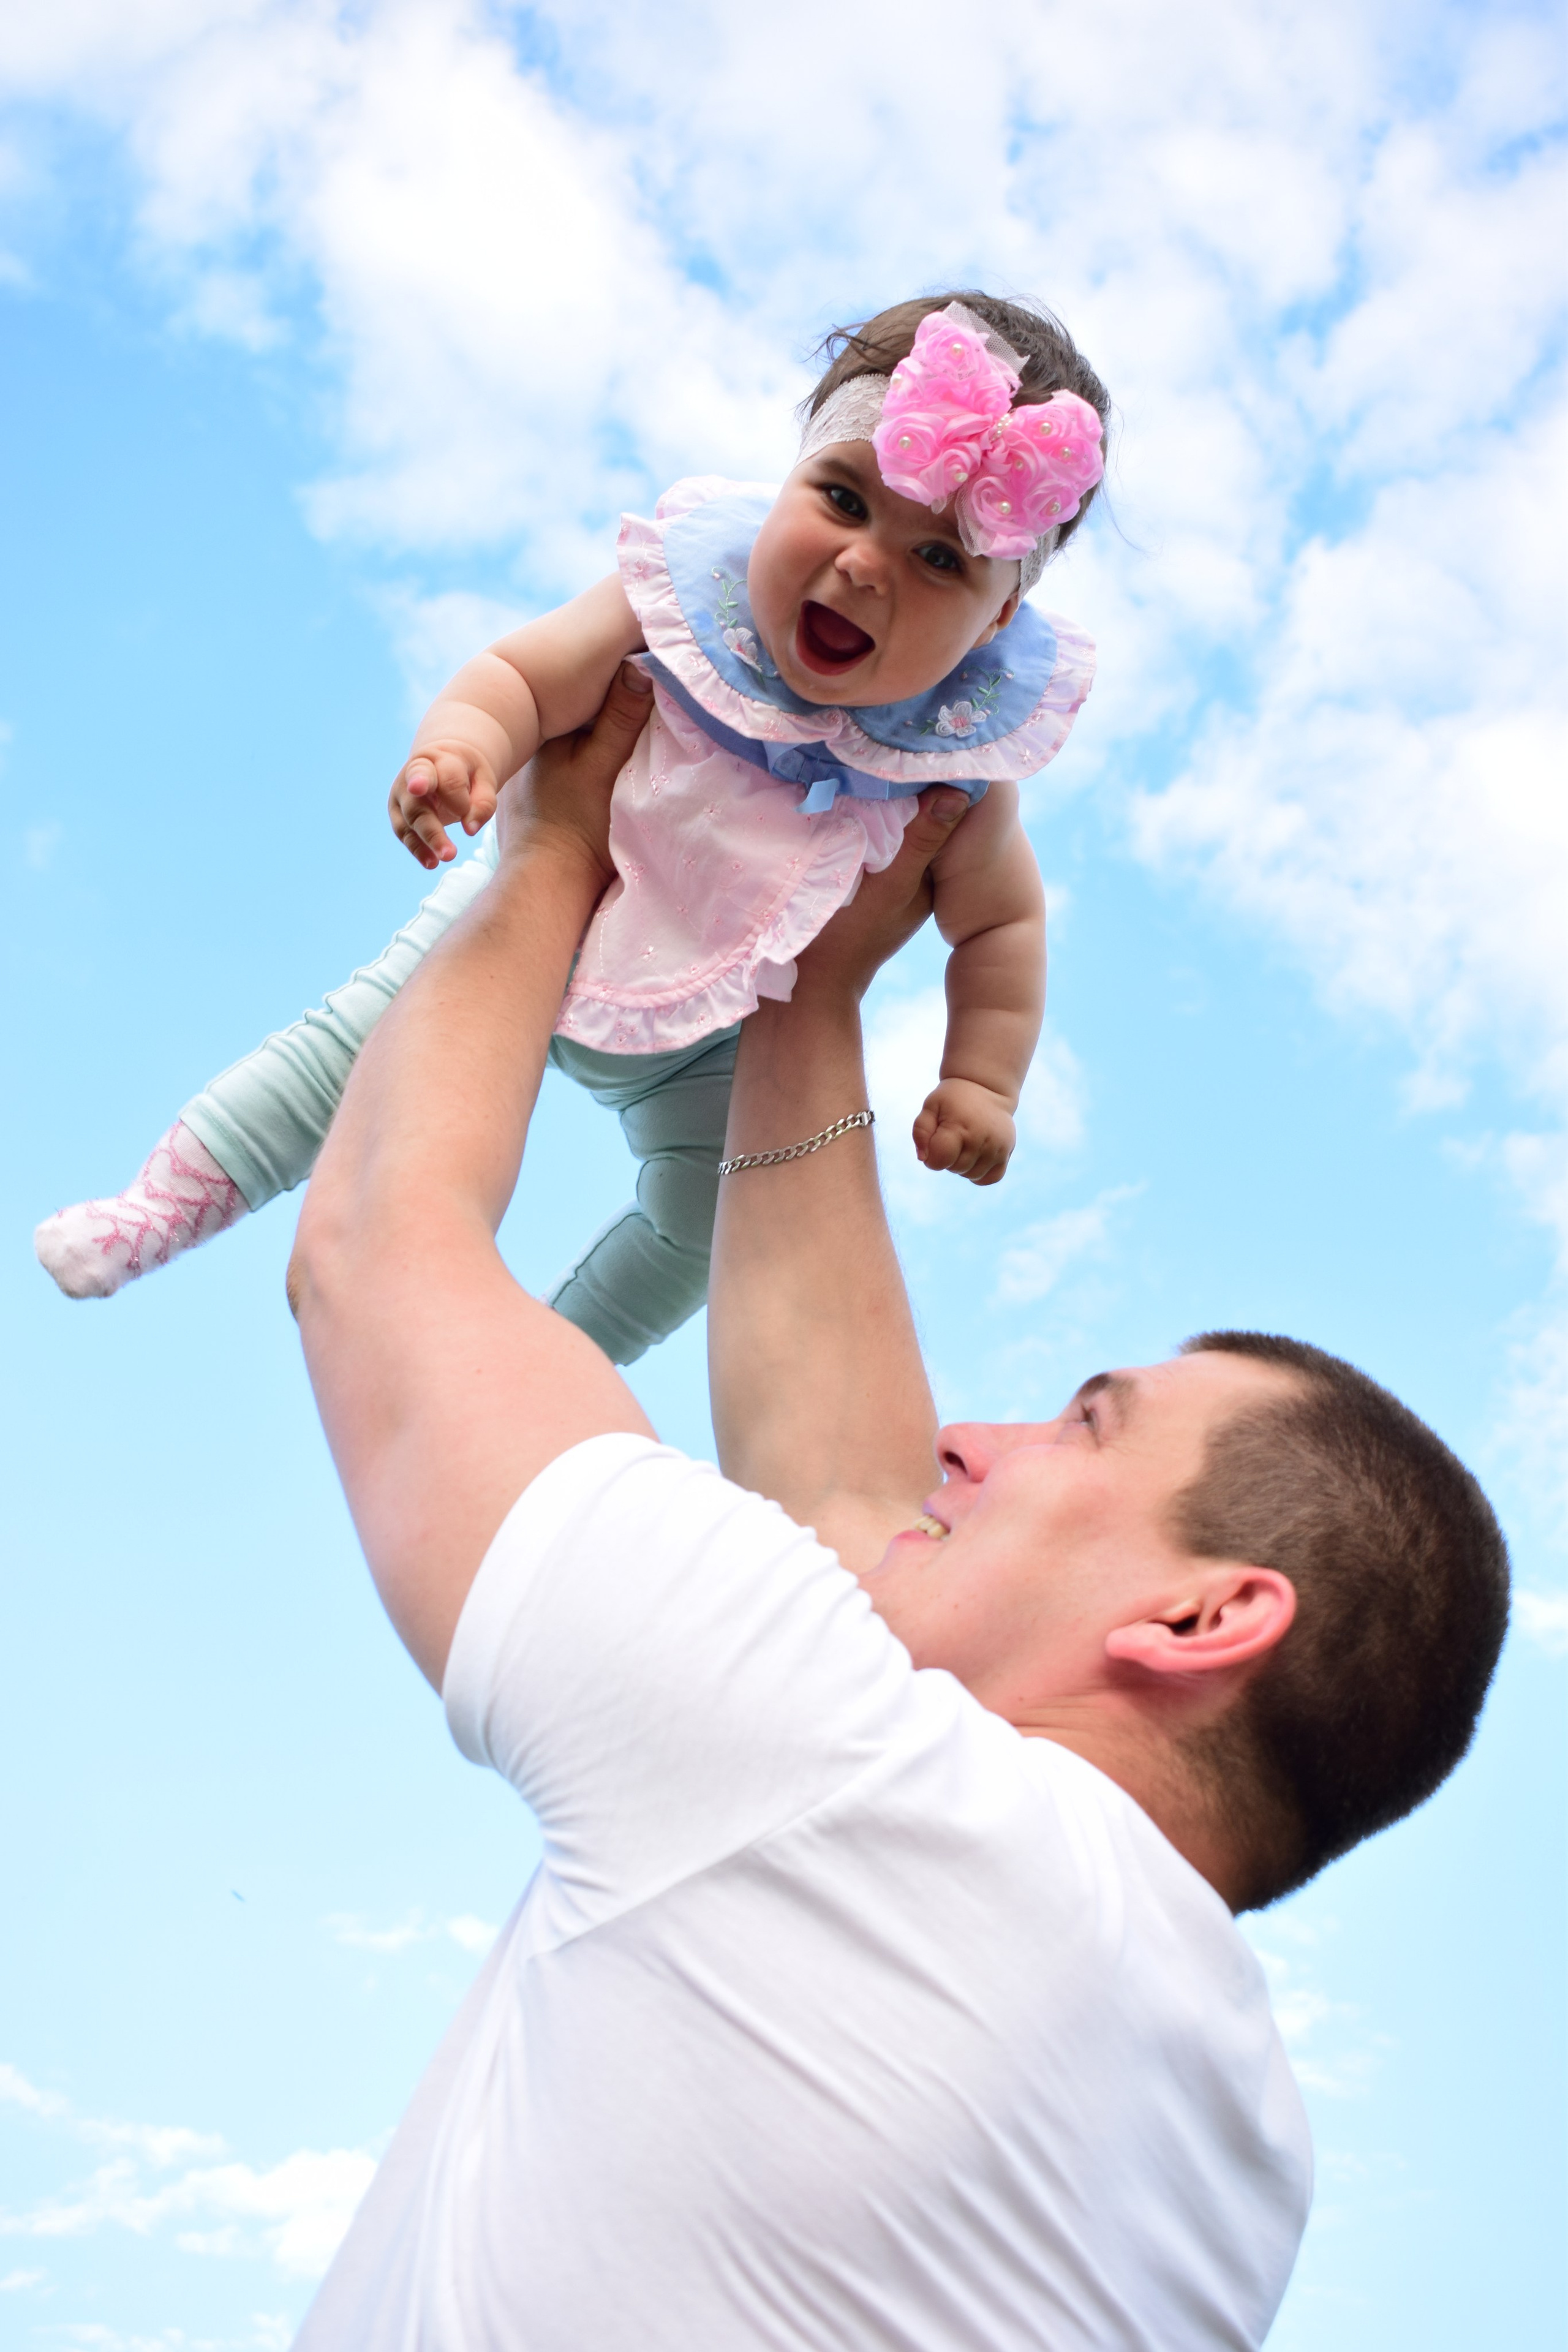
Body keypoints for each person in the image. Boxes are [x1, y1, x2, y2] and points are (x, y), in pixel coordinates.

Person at [285, 668, 1509, 2350]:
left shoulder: (841, 1798)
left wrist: (560, 835)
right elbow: (851, 1503)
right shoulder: (1239, 2167)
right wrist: (813, 986)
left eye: (1086, 1430)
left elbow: (377, 1248)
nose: (971, 1440)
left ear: (1206, 1619)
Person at [36, 292, 1106, 1363]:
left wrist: (981, 1078)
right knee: (345, 1054)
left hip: (717, 1027)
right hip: (528, 912)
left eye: (941, 562)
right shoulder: (686, 609)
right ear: (786, 482)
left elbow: (1002, 927)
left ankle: (549, 1360)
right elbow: (523, 676)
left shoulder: (955, 760)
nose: (867, 564)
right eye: (841, 497)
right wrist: (465, 748)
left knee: (711, 1225)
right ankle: (157, 1210)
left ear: (999, 617)